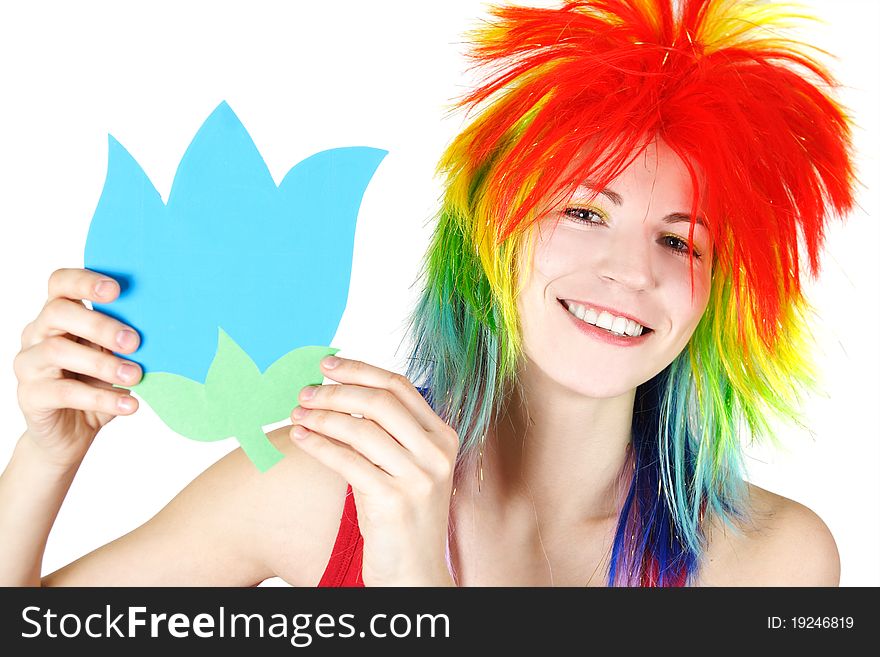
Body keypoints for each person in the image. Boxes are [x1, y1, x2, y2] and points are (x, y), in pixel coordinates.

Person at [0, 0, 855, 587]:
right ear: (491, 234)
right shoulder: (317, 485)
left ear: (719, 299)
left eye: (679, 240)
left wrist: (414, 580)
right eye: (585, 210)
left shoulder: (772, 564)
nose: (633, 270)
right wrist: (48, 451)